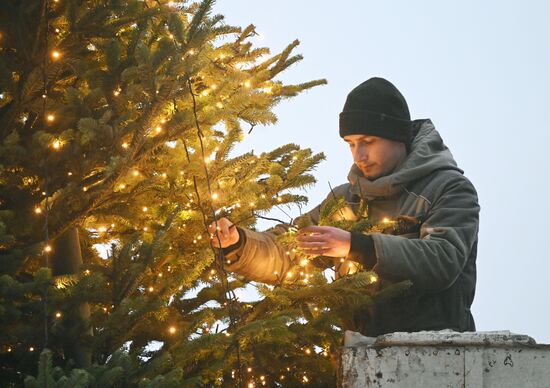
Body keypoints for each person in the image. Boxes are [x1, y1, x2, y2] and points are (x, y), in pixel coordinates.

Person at [208, 77, 480, 336]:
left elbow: (442, 259)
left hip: (442, 357)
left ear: (398, 136)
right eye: (351, 144)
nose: (359, 155)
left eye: (368, 142)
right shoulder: (347, 200)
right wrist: (238, 244)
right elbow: (291, 250)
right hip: (360, 357)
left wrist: (357, 246)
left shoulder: (450, 189)